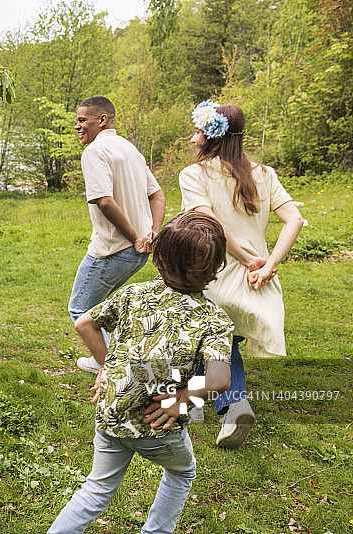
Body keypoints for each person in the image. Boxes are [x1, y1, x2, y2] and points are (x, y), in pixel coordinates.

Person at [47, 212, 233, 534]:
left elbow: (84, 323)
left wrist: (108, 368)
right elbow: (219, 380)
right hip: (155, 425)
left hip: (110, 414)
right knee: (181, 473)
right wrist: (182, 400)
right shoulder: (214, 320)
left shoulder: (135, 294)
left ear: (158, 256)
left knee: (95, 490)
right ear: (216, 269)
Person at [179, 101, 304, 448]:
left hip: (215, 272)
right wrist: (267, 263)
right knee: (222, 340)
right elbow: (294, 219)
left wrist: (249, 261)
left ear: (212, 135)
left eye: (198, 132)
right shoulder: (264, 173)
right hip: (256, 279)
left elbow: (212, 225)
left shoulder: (194, 174)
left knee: (212, 340)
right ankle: (198, 402)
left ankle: (232, 403)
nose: (192, 139)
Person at [69, 96, 166, 374]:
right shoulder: (129, 148)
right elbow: (157, 195)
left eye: (81, 120)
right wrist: (152, 233)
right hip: (136, 253)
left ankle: (113, 370)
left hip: (112, 250)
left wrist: (138, 235)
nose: (77, 126)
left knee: (81, 310)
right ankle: (115, 357)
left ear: (101, 120)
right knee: (101, 308)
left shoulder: (95, 152)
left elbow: (104, 201)